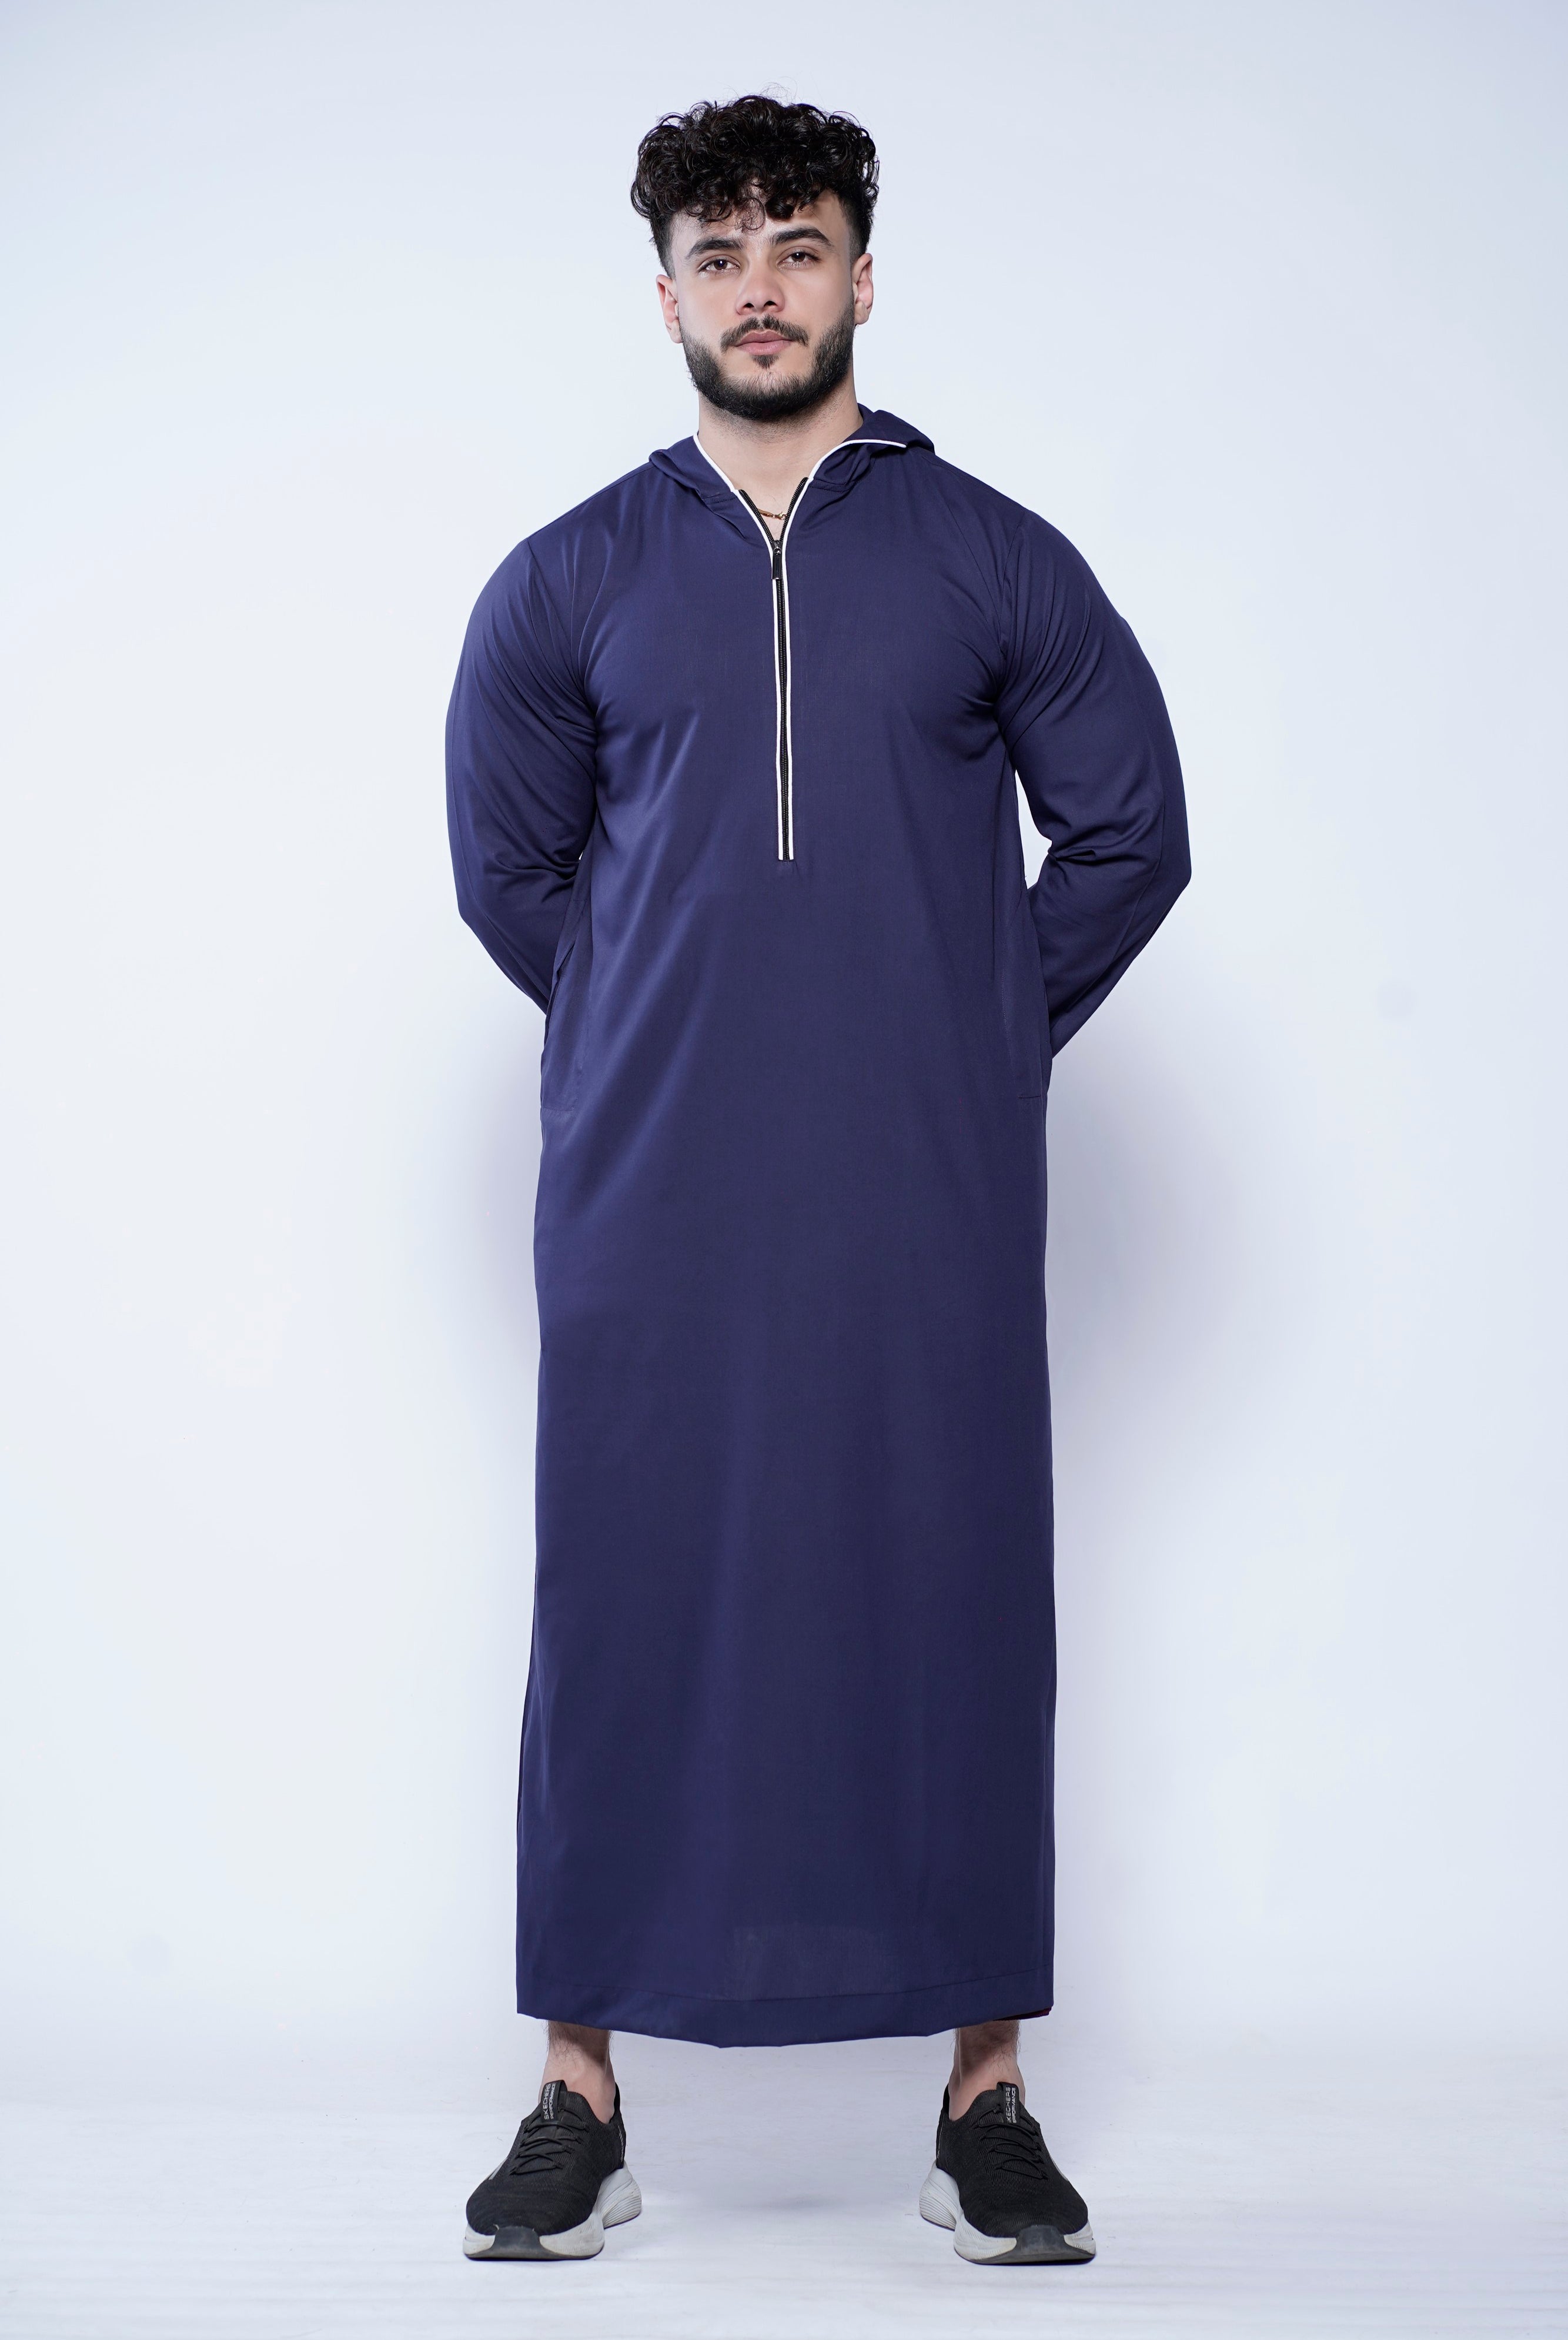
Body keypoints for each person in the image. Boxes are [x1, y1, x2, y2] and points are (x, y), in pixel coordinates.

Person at [445, 93, 1189, 2268]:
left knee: (950, 1583)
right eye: (717, 252)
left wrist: (964, 1023)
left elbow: (1130, 831)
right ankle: (580, 2087)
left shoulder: (992, 559)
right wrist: (656, 1027)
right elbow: (509, 873)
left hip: (922, 1190)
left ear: (864, 274)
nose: (756, 287)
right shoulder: (568, 576)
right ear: (664, 294)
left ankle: (984, 2096)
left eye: (795, 246)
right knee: (621, 1592)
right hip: (646, 1190)